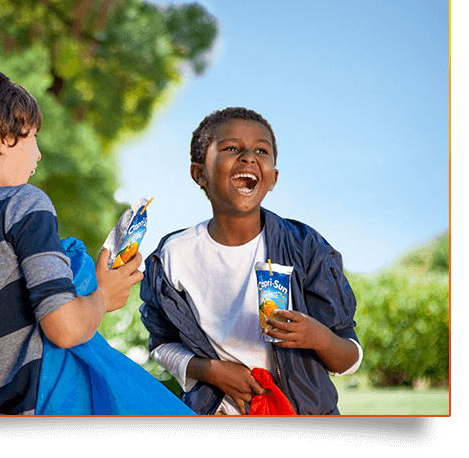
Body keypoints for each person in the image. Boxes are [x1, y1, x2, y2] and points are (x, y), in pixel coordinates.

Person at [0, 67, 144, 414]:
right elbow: (65, 329)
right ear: (3, 136)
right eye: (33, 136)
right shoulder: (22, 203)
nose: (38, 154)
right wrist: (103, 296)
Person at [140, 107, 362, 415]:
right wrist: (211, 371)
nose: (248, 157)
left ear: (273, 178)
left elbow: (348, 358)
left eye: (261, 150)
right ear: (199, 173)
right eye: (231, 148)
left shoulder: (305, 247)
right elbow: (162, 345)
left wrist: (319, 337)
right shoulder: (173, 255)